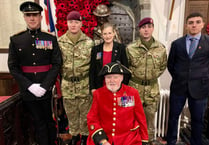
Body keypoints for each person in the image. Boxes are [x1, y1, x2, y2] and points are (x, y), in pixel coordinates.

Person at [7, 1, 62, 145]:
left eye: (35, 15)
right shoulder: (16, 40)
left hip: (47, 88)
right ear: (24, 17)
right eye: (28, 15)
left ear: (41, 17)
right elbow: (13, 67)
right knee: (37, 122)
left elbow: (57, 64)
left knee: (50, 121)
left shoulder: (50, 38)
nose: (32, 18)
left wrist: (45, 86)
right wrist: (30, 86)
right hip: (28, 90)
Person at [166, 12, 209, 145]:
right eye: (191, 23)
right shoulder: (177, 44)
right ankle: (171, 141)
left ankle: (195, 142)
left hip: (200, 88)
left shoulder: (208, 43)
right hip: (179, 86)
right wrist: (180, 76)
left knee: (197, 119)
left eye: (197, 22)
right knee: (173, 117)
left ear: (202, 24)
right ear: (186, 26)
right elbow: (170, 64)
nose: (194, 25)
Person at [126, 17, 167, 144]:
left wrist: (151, 77)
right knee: (129, 118)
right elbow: (126, 67)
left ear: (153, 28)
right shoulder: (130, 48)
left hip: (152, 90)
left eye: (149, 27)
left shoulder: (161, 48)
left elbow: (163, 66)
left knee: (149, 121)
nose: (146, 30)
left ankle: (148, 142)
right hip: (132, 88)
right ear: (139, 30)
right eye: (143, 27)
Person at [87, 62, 149, 145]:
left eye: (115, 77)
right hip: (104, 137)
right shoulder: (98, 94)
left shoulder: (132, 93)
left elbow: (141, 118)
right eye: (108, 77)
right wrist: (103, 141)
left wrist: (144, 140)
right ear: (105, 79)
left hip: (128, 139)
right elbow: (92, 118)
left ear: (122, 78)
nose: (112, 81)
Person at [58, 10, 94, 145]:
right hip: (68, 84)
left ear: (81, 24)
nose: (73, 25)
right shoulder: (60, 42)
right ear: (67, 23)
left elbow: (93, 66)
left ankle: (84, 138)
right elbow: (57, 63)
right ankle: (74, 137)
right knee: (71, 113)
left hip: (84, 83)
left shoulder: (89, 43)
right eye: (71, 22)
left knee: (85, 115)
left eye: (76, 22)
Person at [89, 22, 129, 94]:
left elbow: (125, 69)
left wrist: (123, 88)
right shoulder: (96, 49)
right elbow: (92, 70)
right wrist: (92, 88)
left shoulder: (121, 48)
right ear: (102, 35)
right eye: (105, 34)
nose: (107, 36)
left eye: (110, 33)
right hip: (100, 88)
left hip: (117, 88)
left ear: (114, 33)